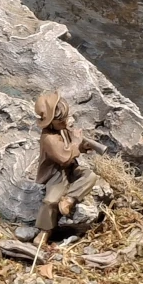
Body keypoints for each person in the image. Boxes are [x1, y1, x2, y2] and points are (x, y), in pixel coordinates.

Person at [32, 90, 106, 248]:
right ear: (50, 122)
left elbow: (71, 149)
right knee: (50, 201)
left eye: (65, 118)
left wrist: (83, 146)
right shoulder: (48, 138)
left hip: (70, 167)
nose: (65, 123)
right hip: (57, 173)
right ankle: (45, 231)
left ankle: (70, 199)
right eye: (61, 121)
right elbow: (63, 157)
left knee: (90, 176)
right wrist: (76, 143)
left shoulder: (62, 129)